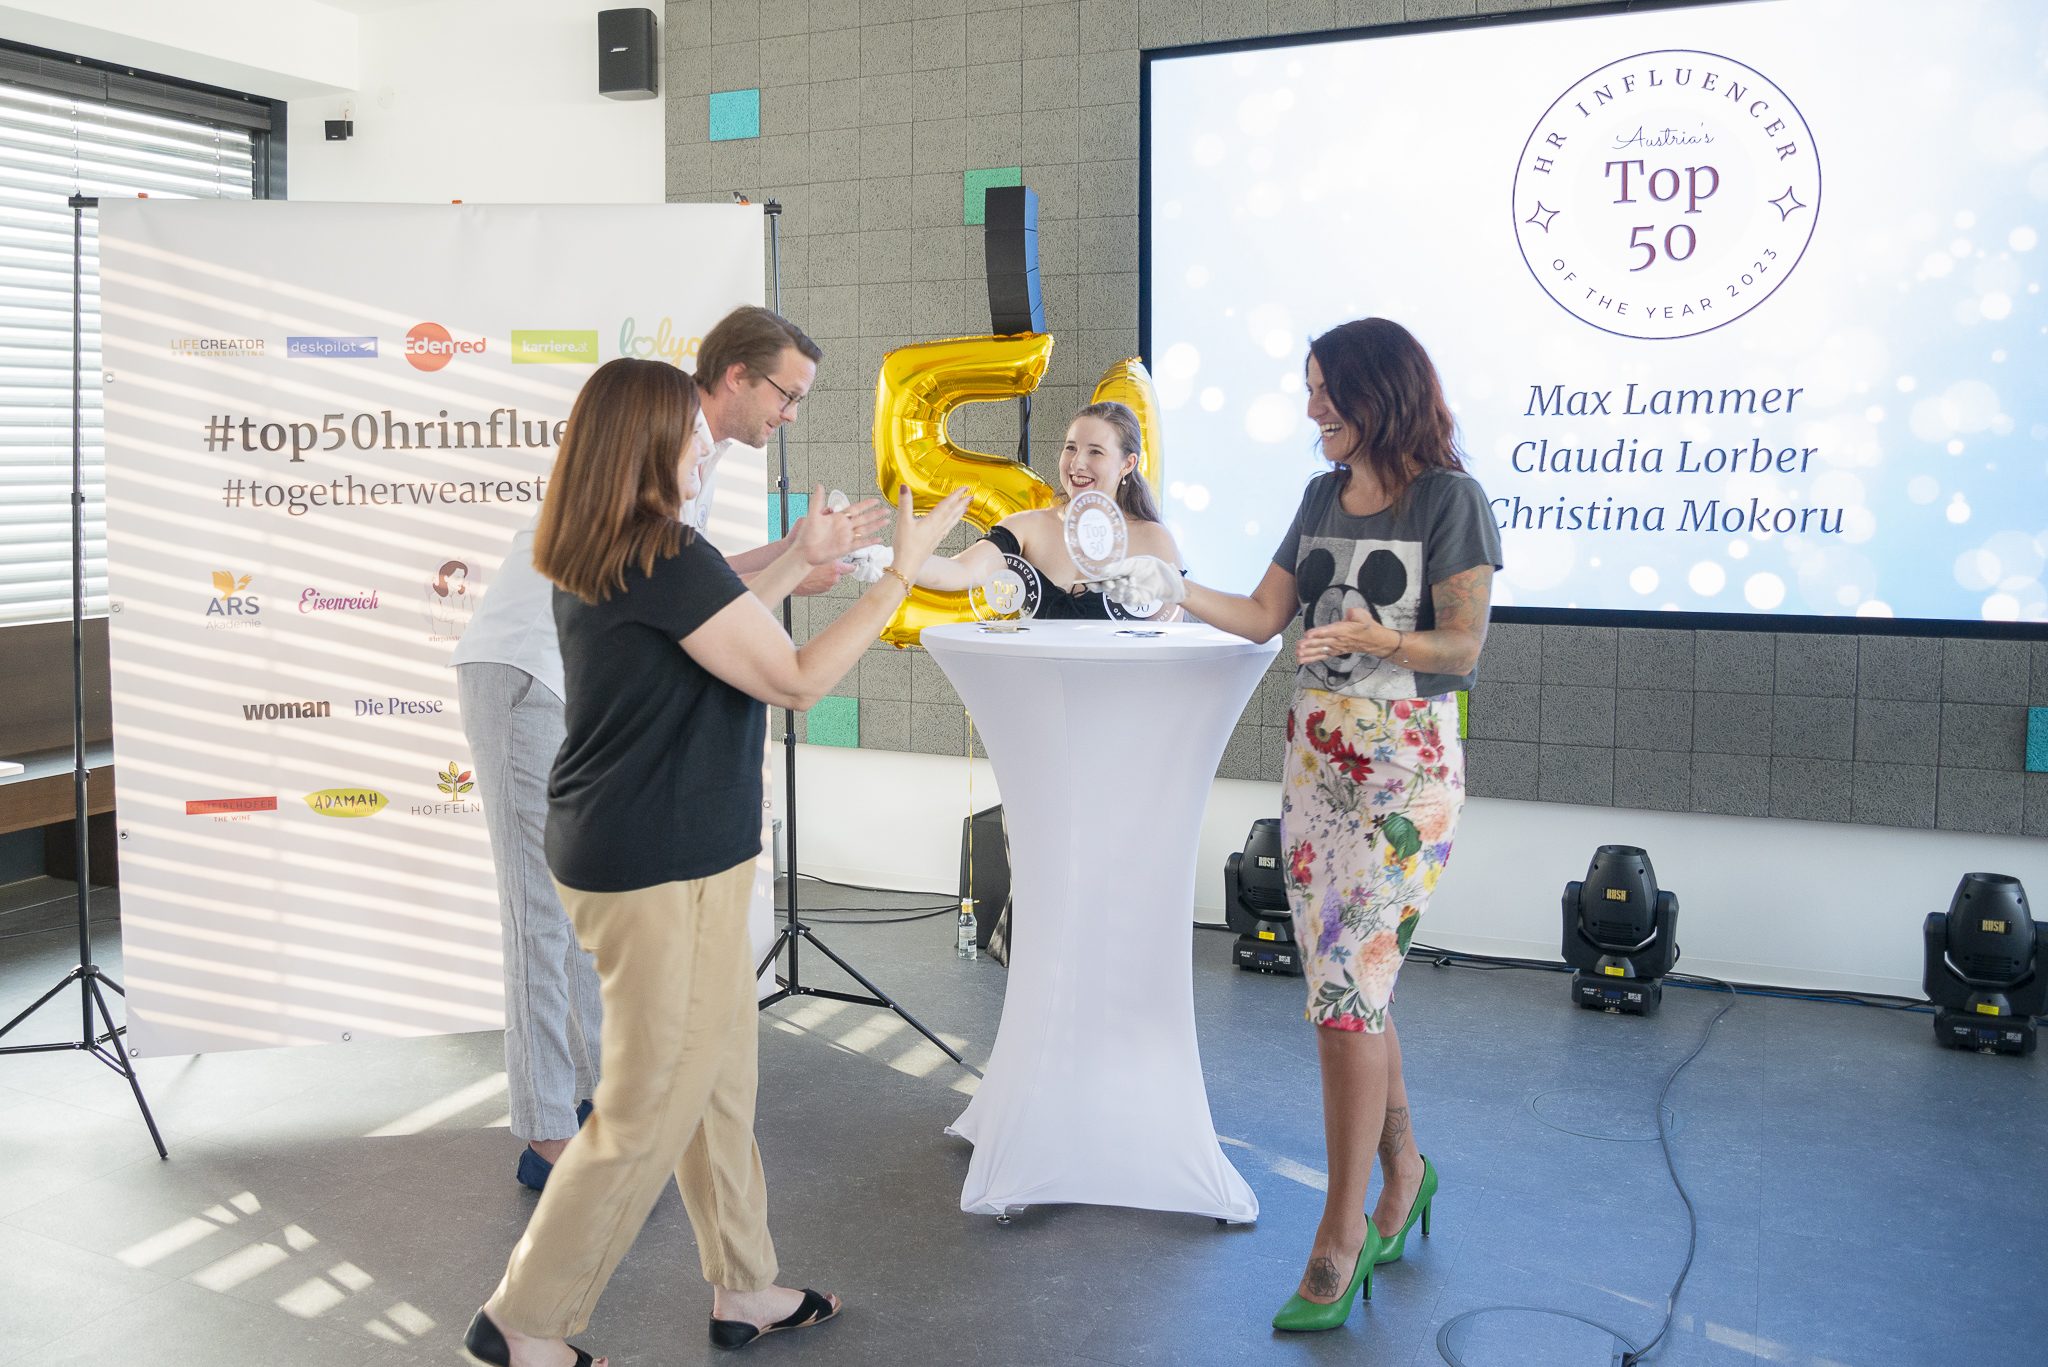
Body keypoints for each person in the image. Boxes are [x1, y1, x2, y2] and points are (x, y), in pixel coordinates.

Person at [464, 356, 969, 1367]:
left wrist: (792, 564)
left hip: (657, 846)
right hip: (661, 864)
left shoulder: (605, 545)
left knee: (720, 1076)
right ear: (646, 443)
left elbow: (700, 632)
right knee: (648, 1105)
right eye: (688, 435)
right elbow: (795, 677)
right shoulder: (667, 550)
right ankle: (525, 1319)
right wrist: (901, 574)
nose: (705, 448)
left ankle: (744, 1281)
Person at [1100, 318, 1501, 1332]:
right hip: (1317, 764)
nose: (1311, 406)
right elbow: (1259, 614)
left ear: (1379, 392)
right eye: (1310, 386)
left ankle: (1339, 1231)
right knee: (1349, 988)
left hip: (1404, 774)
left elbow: (1462, 648)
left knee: (1344, 996)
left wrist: (1380, 637)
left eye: (1326, 388)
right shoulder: (1320, 496)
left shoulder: (1449, 499)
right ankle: (1406, 1171)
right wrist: (1165, 586)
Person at [453, 306, 883, 1191]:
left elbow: (686, 571)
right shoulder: (656, 428)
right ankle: (547, 1133)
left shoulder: (694, 449)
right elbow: (668, 577)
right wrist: (799, 561)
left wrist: (795, 557)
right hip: (526, 668)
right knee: (540, 912)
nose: (790, 414)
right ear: (736, 376)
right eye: (787, 394)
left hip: (573, 676)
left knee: (583, 914)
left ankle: (593, 1106)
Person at [906, 401, 1183, 619]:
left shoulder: (1153, 540)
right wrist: (895, 556)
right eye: (1071, 448)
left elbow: (1168, 637)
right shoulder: (1027, 527)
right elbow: (959, 571)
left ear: (1127, 464)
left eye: (1095, 452)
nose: (1077, 463)